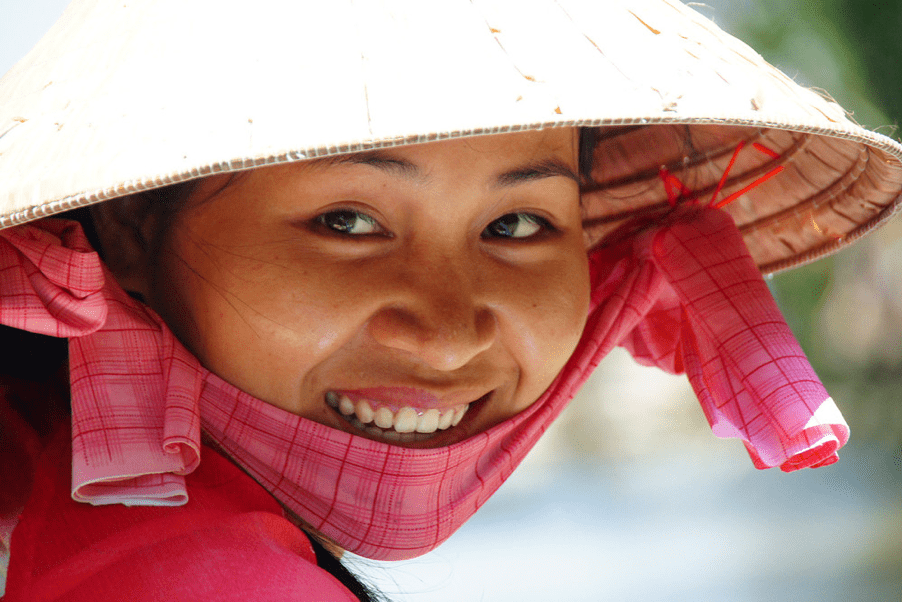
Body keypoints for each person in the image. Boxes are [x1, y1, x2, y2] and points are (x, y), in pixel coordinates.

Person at [1, 0, 900, 600]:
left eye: (515, 226)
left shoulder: (99, 524)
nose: (443, 334)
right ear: (128, 232)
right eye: (348, 221)